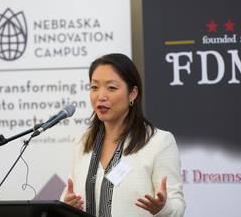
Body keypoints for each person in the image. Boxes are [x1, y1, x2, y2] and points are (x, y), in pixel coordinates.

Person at [60, 53, 186, 217]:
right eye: (94, 87)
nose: (101, 96)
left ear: (132, 93)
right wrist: (66, 203)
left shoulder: (158, 142)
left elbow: (178, 206)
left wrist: (162, 208)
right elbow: (69, 191)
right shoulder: (82, 142)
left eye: (111, 88)